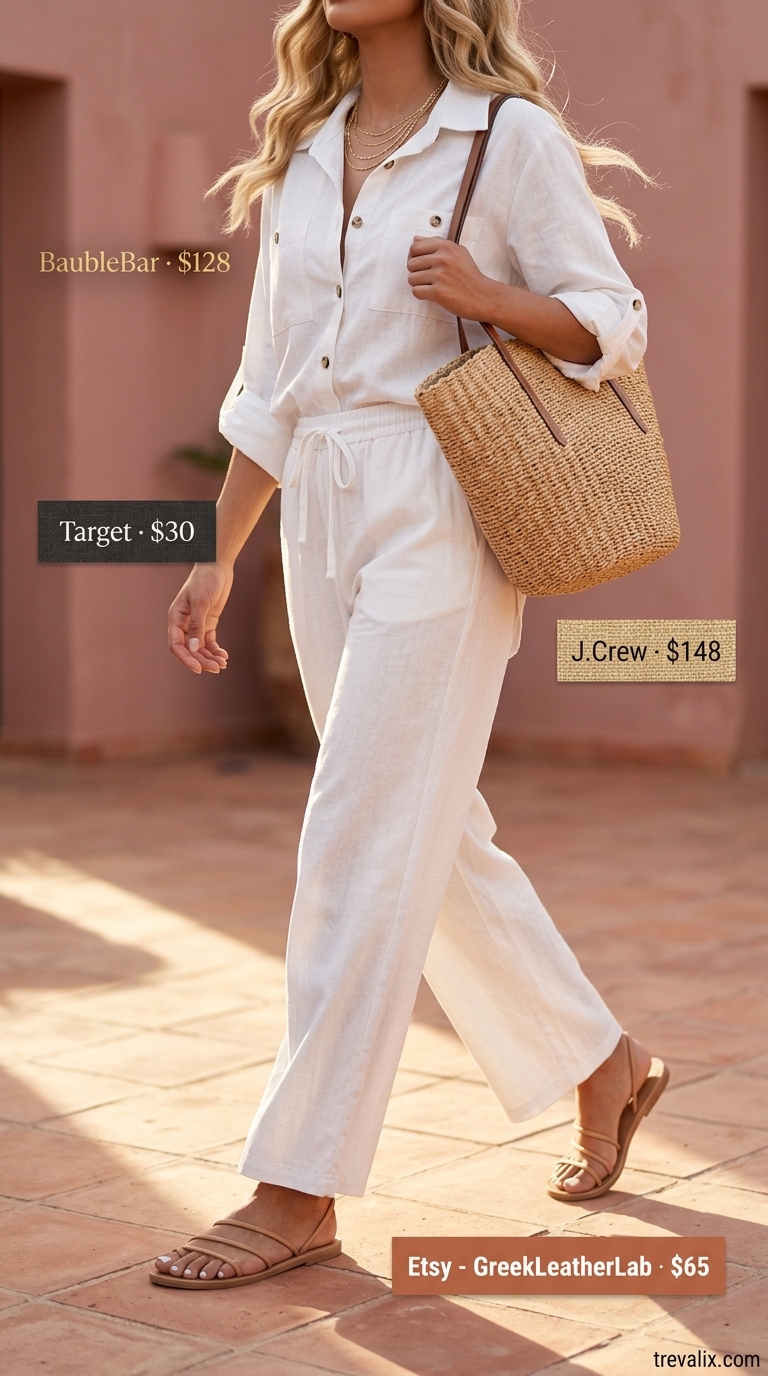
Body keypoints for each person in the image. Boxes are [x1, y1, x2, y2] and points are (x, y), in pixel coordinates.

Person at [151, 0, 668, 1290]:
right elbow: (271, 375)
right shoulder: (306, 142)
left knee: (359, 827)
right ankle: (601, 1059)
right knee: (424, 826)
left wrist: (491, 297)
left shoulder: (507, 134)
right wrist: (219, 550)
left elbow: (614, 317)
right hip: (322, 495)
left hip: (445, 491)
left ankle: (298, 1186)